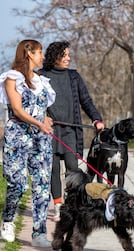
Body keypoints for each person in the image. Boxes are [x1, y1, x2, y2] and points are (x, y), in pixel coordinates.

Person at [0, 39, 56, 247]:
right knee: (18, 183)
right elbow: (18, 110)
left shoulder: (41, 80)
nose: (43, 57)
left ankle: (39, 233)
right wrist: (39, 123)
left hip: (40, 139)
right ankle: (8, 220)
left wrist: (45, 120)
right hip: (18, 136)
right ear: (28, 53)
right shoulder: (12, 78)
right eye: (40, 53)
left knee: (41, 185)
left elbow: (41, 109)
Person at [40, 41, 104, 221]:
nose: (68, 58)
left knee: (72, 170)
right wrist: (41, 118)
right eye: (65, 55)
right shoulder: (41, 76)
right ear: (55, 56)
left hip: (70, 132)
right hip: (49, 132)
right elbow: (33, 103)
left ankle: (73, 205)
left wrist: (96, 118)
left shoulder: (73, 76)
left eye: (69, 54)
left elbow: (86, 100)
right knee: (52, 170)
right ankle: (58, 206)